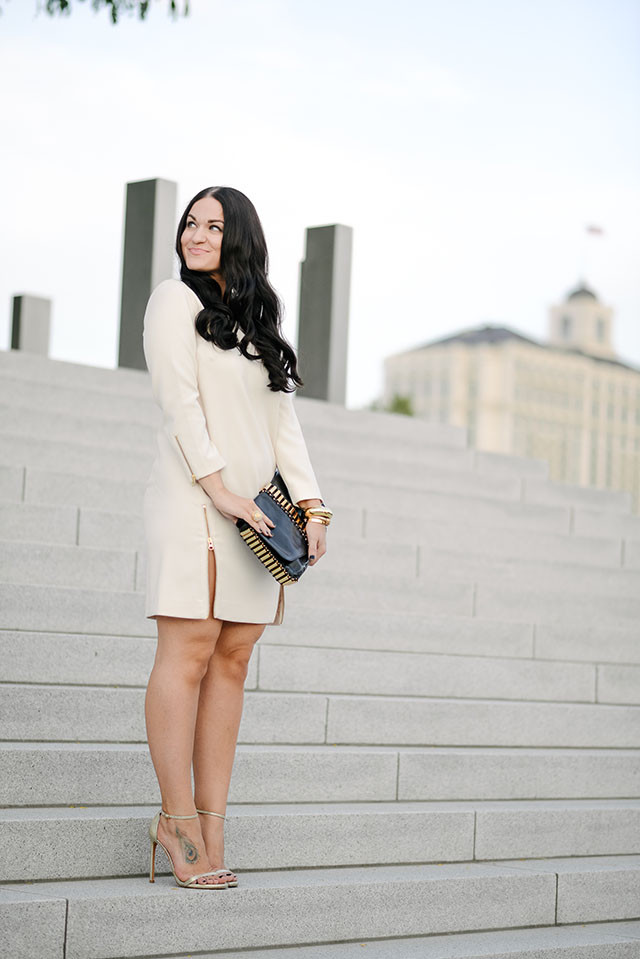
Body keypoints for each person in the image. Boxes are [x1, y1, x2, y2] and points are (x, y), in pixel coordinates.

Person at [143, 186, 332, 889]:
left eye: (213, 225)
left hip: (254, 515)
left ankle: (214, 825)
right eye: (191, 222)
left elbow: (285, 426)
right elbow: (179, 403)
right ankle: (177, 820)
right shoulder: (174, 302)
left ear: (240, 238)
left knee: (232, 659)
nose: (196, 234)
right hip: (194, 501)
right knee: (188, 649)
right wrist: (218, 487)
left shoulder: (256, 321)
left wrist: (312, 506)